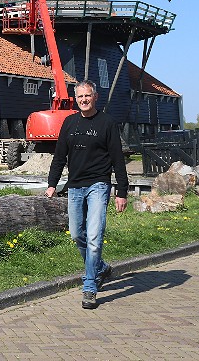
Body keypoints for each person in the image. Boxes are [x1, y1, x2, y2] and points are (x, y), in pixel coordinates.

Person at [45, 80, 128, 310]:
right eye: (80, 96)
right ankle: (100, 267)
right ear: (76, 99)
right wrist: (52, 183)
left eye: (87, 96)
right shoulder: (69, 123)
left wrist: (122, 191)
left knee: (94, 236)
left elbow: (118, 159)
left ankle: (90, 286)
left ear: (95, 97)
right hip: (75, 186)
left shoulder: (107, 123)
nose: (84, 100)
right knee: (76, 234)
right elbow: (60, 155)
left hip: (99, 185)